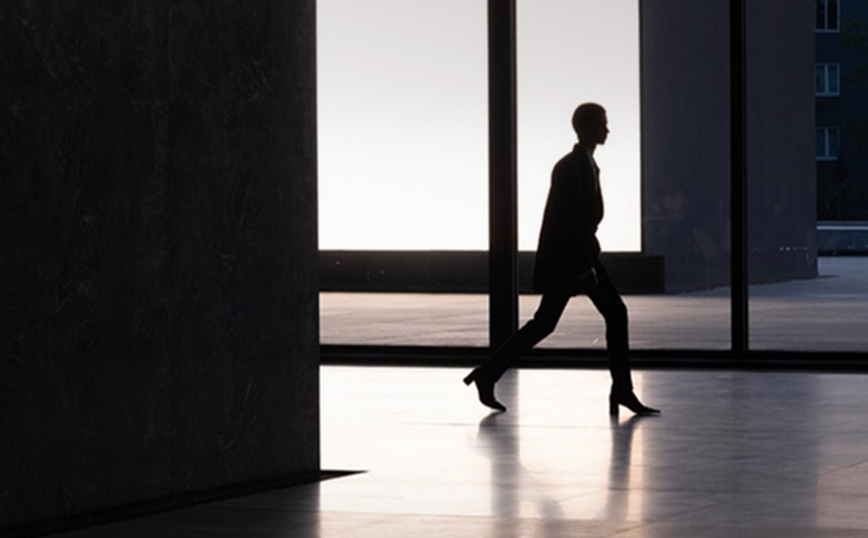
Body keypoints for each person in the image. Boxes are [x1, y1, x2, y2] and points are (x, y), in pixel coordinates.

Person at [463, 103, 660, 417]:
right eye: (602, 125)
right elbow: (566, 222)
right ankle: (621, 391)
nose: (607, 130)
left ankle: (488, 374)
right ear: (586, 128)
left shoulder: (585, 165)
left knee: (556, 322)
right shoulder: (571, 167)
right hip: (574, 261)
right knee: (596, 317)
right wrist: (584, 267)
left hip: (579, 257)